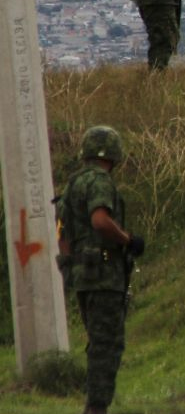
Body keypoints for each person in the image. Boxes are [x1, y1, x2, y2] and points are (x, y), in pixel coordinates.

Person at [56, 126, 146, 414]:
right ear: (113, 154)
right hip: (105, 276)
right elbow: (100, 220)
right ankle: (96, 408)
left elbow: (63, 236)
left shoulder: (72, 185)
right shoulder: (100, 183)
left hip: (83, 277)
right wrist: (128, 240)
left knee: (97, 342)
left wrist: (73, 269)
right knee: (107, 346)